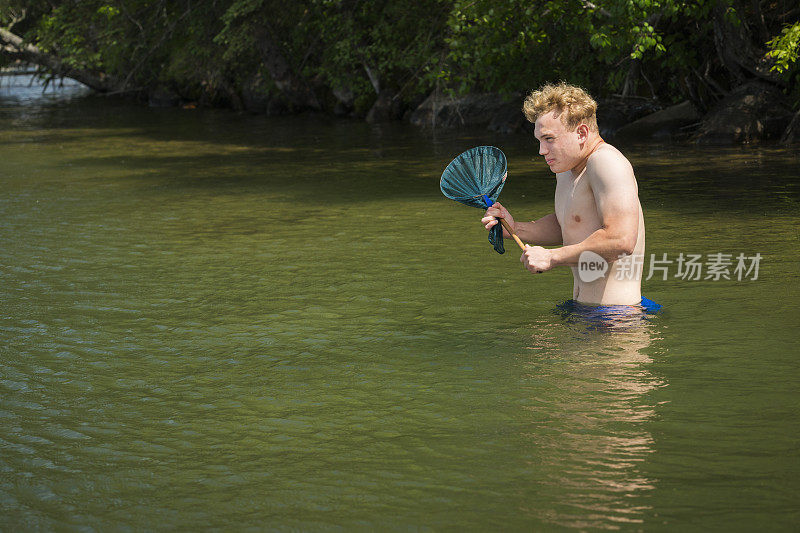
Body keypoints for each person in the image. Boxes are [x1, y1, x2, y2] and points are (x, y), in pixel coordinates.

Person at [482, 82, 650, 307]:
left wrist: (552, 257)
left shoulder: (606, 162)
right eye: (539, 141)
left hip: (617, 319)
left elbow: (621, 240)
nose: (541, 151)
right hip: (583, 311)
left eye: (549, 139)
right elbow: (570, 225)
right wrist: (515, 229)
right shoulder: (567, 171)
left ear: (581, 132)